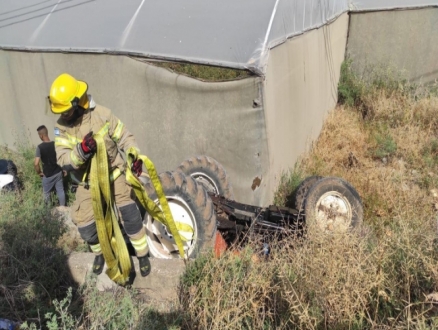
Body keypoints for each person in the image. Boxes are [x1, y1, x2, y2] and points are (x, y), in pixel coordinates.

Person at [48, 73, 151, 277]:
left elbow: (125, 137)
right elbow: (63, 159)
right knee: (86, 226)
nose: (63, 116)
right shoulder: (61, 128)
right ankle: (100, 253)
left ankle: (142, 254)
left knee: (130, 215)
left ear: (77, 103)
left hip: (115, 176)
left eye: (67, 111)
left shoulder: (103, 114)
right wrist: (81, 151)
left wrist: (134, 156)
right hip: (87, 184)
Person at [34, 125, 66, 207]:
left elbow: (36, 163)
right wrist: (63, 169)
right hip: (58, 172)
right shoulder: (55, 144)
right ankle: (62, 208)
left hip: (48, 175)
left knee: (46, 193)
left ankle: (49, 211)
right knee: (60, 190)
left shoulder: (40, 147)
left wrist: (39, 172)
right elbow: (60, 158)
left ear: (41, 135)